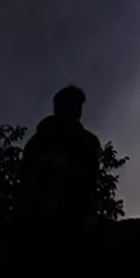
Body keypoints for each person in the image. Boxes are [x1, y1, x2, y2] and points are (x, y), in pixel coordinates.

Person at [21, 84, 102, 228]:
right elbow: (26, 176)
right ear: (58, 107)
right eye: (72, 104)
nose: (77, 109)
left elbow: (90, 181)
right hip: (38, 216)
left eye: (78, 105)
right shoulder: (39, 141)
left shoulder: (89, 142)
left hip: (74, 216)